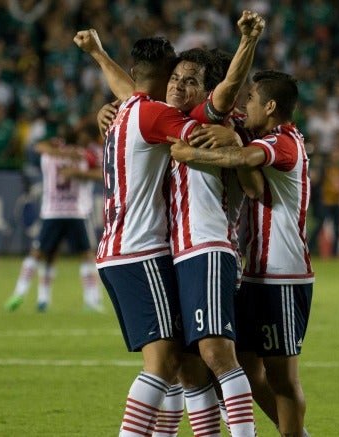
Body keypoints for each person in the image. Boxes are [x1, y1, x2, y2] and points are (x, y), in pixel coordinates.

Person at [74, 26, 259, 436]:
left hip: (187, 248)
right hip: (150, 251)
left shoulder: (166, 113)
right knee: (170, 364)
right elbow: (139, 91)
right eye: (174, 77)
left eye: (189, 80)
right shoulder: (154, 115)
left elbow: (224, 93)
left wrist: (233, 137)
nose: (178, 85)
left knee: (191, 365)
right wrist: (100, 55)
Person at [170, 69, 313, 437]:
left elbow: (245, 161)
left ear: (269, 106)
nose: (244, 105)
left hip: (284, 274)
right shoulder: (265, 139)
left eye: (250, 99)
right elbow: (253, 187)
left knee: (282, 378)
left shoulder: (286, 141)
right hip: (256, 274)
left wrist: (192, 153)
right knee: (243, 370)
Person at [4, 121, 104, 313]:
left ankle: (26, 293)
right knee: (86, 255)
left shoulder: (48, 155)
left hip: (53, 212)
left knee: (41, 254)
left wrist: (67, 162)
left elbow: (38, 146)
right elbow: (102, 173)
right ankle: (91, 299)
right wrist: (78, 170)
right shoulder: (85, 155)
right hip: (77, 212)